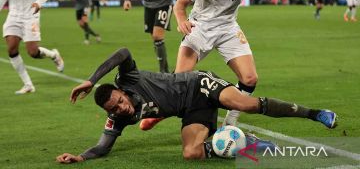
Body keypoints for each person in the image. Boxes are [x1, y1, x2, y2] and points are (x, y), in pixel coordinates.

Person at [55, 47, 337, 163]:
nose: (121, 109)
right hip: (191, 110)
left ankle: (315, 114)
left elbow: (123, 52)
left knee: (245, 104)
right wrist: (80, 157)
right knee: (191, 153)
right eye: (114, 110)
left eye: (119, 102)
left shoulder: (129, 78)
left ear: (120, 91)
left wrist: (91, 80)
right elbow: (103, 147)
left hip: (197, 84)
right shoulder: (118, 118)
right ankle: (246, 144)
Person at [142, 0, 290, 130]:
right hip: (201, 26)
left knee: (250, 78)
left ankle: (230, 121)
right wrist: (182, 21)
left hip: (228, 27)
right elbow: (180, 4)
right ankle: (161, 110)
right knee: (179, 82)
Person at [0, 0, 64, 94]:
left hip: (30, 15)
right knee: (11, 48)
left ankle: (53, 55)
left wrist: (38, 3)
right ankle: (28, 85)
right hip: (14, 15)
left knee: (33, 52)